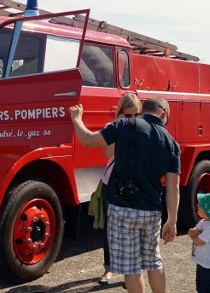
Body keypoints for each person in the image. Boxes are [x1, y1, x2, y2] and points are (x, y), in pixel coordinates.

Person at [70, 96, 180, 293]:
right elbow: (173, 188)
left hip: (122, 208)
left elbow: (87, 140)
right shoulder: (172, 143)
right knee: (154, 262)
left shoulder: (122, 125)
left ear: (143, 109)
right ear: (163, 113)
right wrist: (171, 220)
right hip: (152, 211)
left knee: (132, 269)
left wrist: (76, 118)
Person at [95, 92, 141, 285]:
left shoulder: (143, 129)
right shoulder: (112, 128)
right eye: (128, 115)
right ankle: (108, 269)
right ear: (120, 113)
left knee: (133, 229)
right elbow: (107, 151)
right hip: (112, 182)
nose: (132, 119)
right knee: (110, 230)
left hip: (135, 184)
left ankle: (131, 273)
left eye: (136, 115)